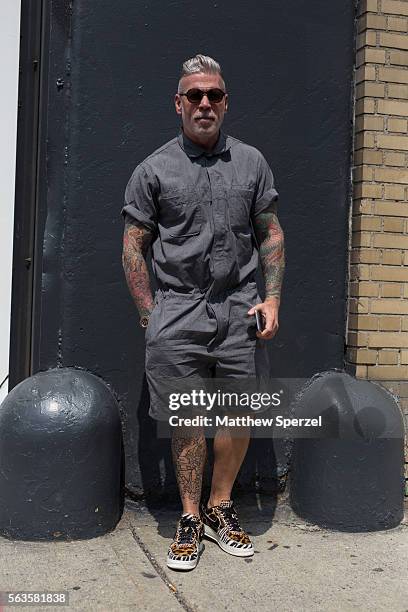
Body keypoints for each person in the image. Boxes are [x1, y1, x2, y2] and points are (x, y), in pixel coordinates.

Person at [122, 54, 285, 571]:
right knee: (189, 419)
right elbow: (132, 248)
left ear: (226, 101)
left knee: (240, 412)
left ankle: (220, 506)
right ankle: (189, 517)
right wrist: (152, 317)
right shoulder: (153, 169)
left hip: (240, 307)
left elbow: (271, 233)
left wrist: (273, 297)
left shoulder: (253, 163)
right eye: (194, 95)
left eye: (214, 94)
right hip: (179, 312)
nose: (205, 104)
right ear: (178, 103)